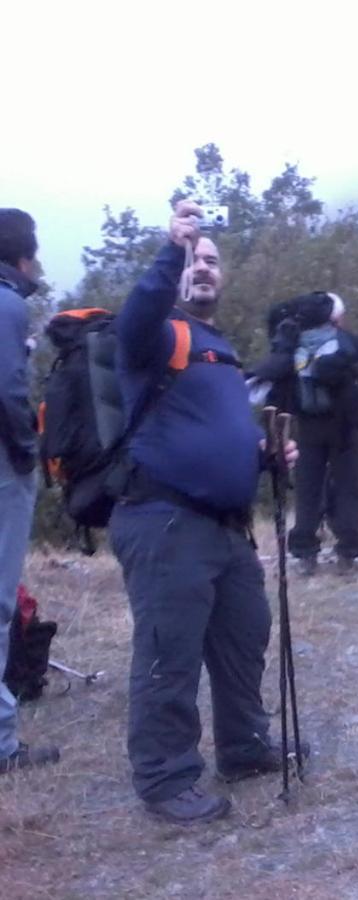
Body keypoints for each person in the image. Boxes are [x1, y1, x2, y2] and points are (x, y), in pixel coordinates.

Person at [109, 200, 301, 824]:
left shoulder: (219, 347)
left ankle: (244, 749)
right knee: (170, 652)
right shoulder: (157, 334)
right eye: (195, 258)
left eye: (212, 260)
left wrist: (264, 457)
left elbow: (220, 433)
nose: (203, 267)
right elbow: (135, 318)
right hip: (164, 519)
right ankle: (166, 781)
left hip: (226, 528)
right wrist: (172, 248)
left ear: (225, 277)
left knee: (245, 637)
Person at [251, 292, 358, 576]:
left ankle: (304, 553)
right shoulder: (345, 341)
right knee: (349, 486)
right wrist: (357, 364)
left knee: (307, 489)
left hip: (307, 425)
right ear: (333, 317)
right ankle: (349, 552)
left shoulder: (293, 343)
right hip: (343, 426)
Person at [0, 208, 59, 774]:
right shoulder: (9, 302)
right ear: (23, 255)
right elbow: (7, 387)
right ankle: (2, 745)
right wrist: (26, 450)